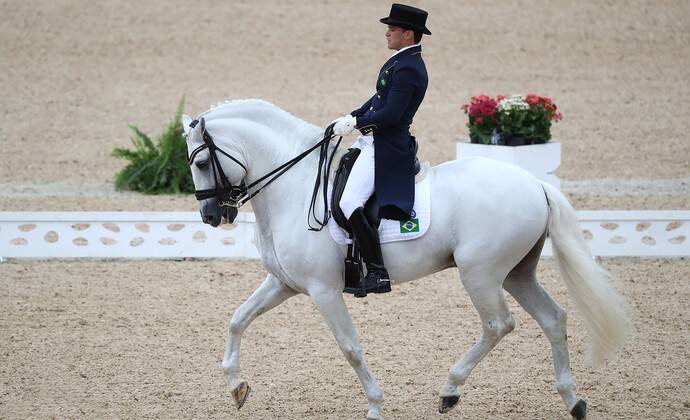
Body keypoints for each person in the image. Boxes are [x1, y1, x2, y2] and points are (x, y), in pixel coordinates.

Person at [332, 3, 431, 295]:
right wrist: (351, 115)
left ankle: (377, 272)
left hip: (387, 145)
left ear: (408, 34)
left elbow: (390, 115)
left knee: (349, 202)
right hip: (375, 139)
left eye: (392, 29)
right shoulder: (400, 61)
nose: (387, 33)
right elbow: (378, 98)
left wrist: (356, 123)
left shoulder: (410, 68)